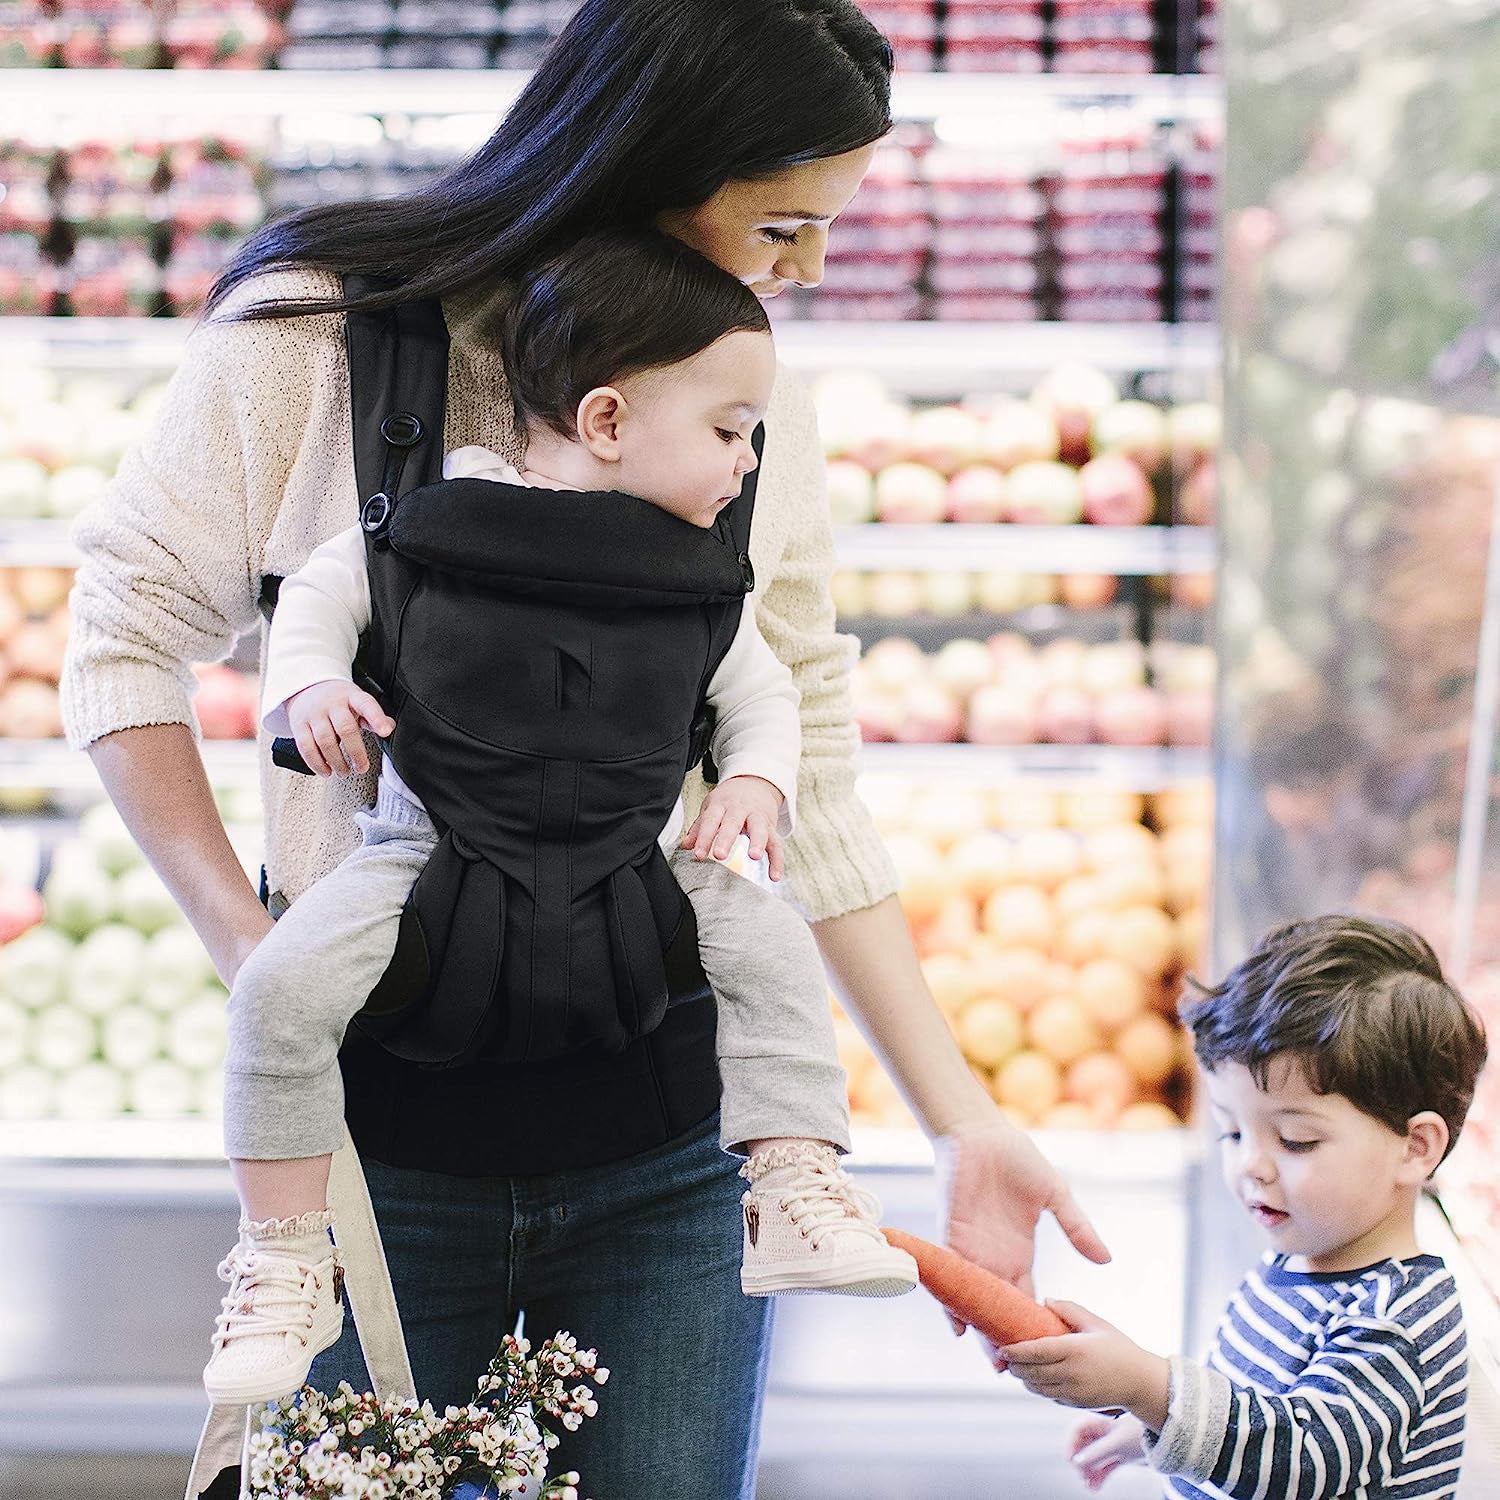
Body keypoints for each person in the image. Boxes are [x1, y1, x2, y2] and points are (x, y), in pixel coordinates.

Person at [60, 2, 1108, 1492]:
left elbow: (801, 774)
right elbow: (119, 642)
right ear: (660, 163)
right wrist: (248, 940)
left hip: (671, 1164)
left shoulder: (746, 401)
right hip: (372, 1158)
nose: (807, 268)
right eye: (788, 222)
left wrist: (963, 1119)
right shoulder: (327, 330)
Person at [204, 228, 920, 1405]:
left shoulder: (693, 576)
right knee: (278, 989)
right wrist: (312, 686)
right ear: (604, 423)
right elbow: (329, 599)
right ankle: (284, 1250)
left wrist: (756, 779)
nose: (749, 464)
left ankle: (793, 1177)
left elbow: (763, 692)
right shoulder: (440, 518)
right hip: (428, 859)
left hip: (633, 865)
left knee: (770, 941)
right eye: (731, 431)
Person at [1001, 915, 1485, 1500]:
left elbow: (1303, 1461)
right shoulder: (1301, 1260)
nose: (1250, 1165)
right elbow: (1250, 1411)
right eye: (1233, 1132)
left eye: (1295, 1140)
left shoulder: (1395, 1319)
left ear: (1414, 1148)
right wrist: (1149, 1430)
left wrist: (1150, 1388)